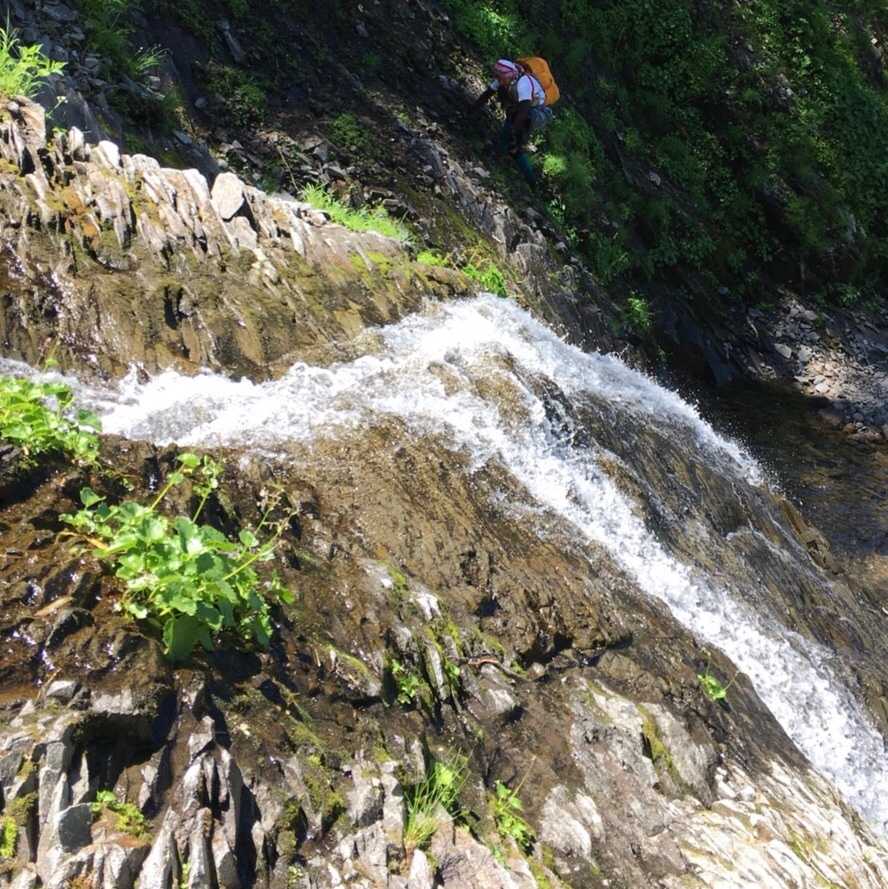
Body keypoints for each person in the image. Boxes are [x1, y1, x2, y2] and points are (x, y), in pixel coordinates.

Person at [472, 59, 554, 188]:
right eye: (497, 77)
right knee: (510, 144)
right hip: (519, 110)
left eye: (500, 77)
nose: (498, 80)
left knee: (514, 147)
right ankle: (497, 158)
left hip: (534, 113)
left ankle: (532, 183)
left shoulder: (523, 84)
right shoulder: (504, 80)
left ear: (508, 75)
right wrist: (471, 110)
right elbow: (487, 94)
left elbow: (524, 111)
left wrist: (515, 133)